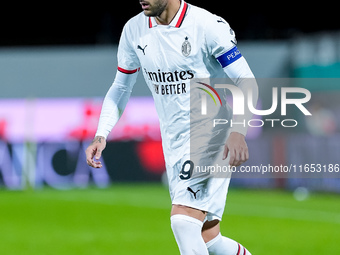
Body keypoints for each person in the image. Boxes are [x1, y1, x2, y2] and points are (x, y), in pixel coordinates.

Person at [85, 0, 258, 254]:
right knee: (208, 238)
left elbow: (246, 81)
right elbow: (121, 86)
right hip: (174, 140)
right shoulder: (134, 30)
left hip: (212, 134)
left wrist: (238, 130)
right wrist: (102, 132)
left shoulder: (207, 25)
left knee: (183, 221)